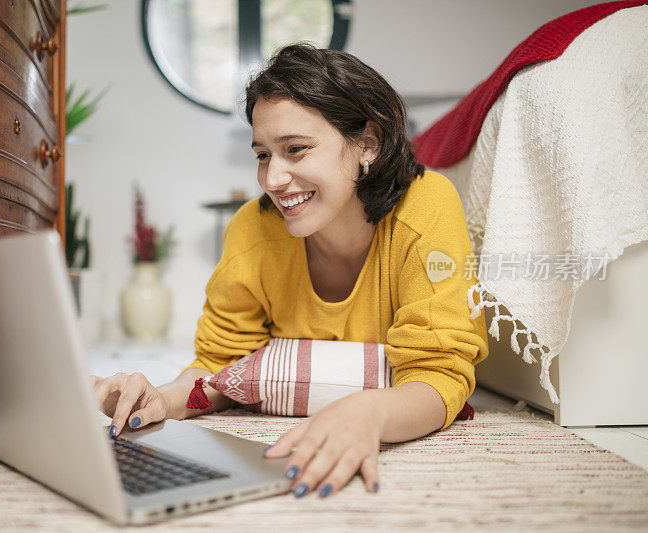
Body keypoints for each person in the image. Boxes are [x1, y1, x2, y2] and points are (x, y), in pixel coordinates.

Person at [92, 43, 488, 499]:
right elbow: (220, 369)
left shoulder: (426, 208)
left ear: (368, 144)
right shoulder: (252, 232)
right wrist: (161, 398)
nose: (273, 179)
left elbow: (440, 374)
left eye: (295, 150)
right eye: (263, 154)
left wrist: (369, 413)